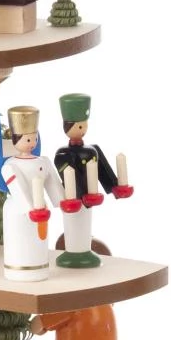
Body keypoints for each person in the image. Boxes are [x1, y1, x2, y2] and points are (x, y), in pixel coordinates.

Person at [0, 105, 64, 282]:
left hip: (40, 208)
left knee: (38, 243)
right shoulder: (10, 166)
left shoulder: (42, 161)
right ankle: (19, 270)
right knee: (20, 242)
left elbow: (52, 183)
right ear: (15, 139)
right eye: (28, 138)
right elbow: (17, 188)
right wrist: (30, 209)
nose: (32, 142)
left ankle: (39, 267)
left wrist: (61, 201)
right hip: (19, 209)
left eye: (34, 138)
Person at [53, 93, 133, 267]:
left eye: (84, 125)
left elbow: (103, 170)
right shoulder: (63, 154)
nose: (82, 129)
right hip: (74, 199)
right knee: (74, 223)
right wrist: (82, 195)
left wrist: (115, 187)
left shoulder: (92, 150)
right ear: (67, 127)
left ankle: (84, 250)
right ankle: (73, 252)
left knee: (85, 223)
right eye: (78, 126)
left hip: (89, 199)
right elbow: (67, 174)